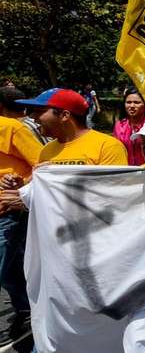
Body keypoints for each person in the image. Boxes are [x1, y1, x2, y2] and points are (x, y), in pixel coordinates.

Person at [0, 92, 44, 346]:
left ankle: (28, 310)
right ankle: (26, 309)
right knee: (8, 270)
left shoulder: (11, 128)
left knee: (5, 269)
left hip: (10, 211)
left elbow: (43, 164)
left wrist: (20, 191)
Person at [19, 88, 128, 166]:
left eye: (40, 111)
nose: (33, 117)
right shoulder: (46, 151)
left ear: (64, 115)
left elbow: (114, 191)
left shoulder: (107, 147)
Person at [113, 88, 145, 166]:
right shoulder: (119, 125)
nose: (132, 106)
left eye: (137, 102)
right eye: (128, 102)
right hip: (127, 171)